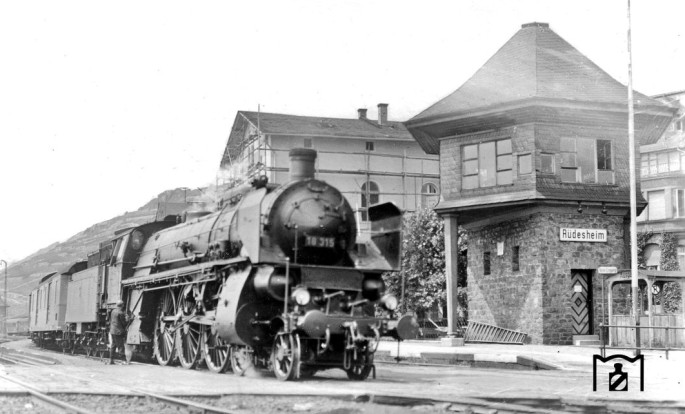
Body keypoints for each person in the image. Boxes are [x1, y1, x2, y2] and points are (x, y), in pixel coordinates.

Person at [109, 300, 130, 365]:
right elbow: (124, 323)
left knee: (113, 346)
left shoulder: (113, 311)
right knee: (121, 346)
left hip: (112, 331)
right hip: (118, 332)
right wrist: (128, 319)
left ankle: (111, 360)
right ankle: (123, 360)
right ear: (122, 305)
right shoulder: (121, 313)